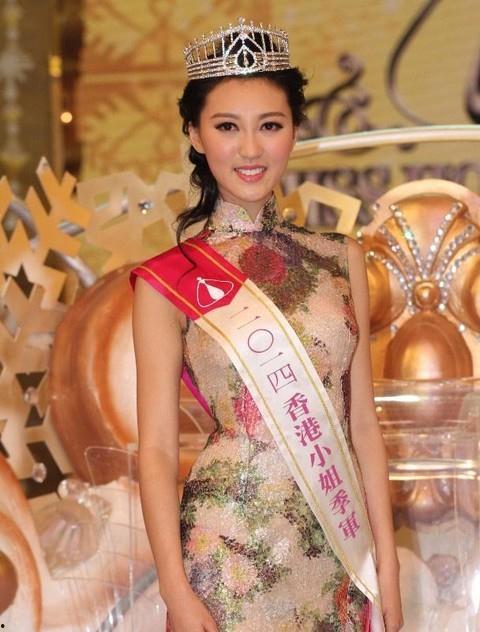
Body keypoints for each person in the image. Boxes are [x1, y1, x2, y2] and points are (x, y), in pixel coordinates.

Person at [130, 17, 403, 632]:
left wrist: (386, 566)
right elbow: (157, 450)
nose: (250, 150)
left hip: (338, 548)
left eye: (270, 126)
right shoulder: (167, 280)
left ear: (294, 131)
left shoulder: (341, 259)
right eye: (228, 127)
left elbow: (361, 425)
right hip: (226, 555)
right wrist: (175, 589)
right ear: (195, 134)